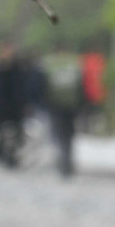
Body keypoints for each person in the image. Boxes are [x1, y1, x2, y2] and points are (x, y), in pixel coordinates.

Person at [40, 47, 85, 177]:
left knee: (59, 135)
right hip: (70, 107)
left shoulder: (51, 66)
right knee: (69, 136)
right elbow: (80, 88)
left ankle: (63, 161)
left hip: (57, 107)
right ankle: (67, 161)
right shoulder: (75, 65)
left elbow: (44, 87)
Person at [0, 42, 32, 168]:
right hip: (0, 107)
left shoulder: (18, 68)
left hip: (15, 108)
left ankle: (12, 157)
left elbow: (23, 88)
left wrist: (25, 104)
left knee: (15, 135)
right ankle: (1, 153)